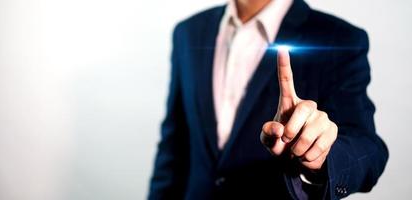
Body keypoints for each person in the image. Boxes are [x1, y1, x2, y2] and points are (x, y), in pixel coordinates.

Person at [149, 0, 389, 199]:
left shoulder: (338, 39)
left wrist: (323, 154)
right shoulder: (188, 32)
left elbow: (368, 149)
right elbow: (174, 146)